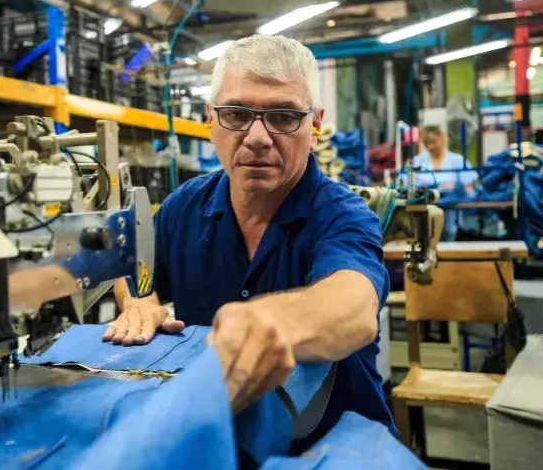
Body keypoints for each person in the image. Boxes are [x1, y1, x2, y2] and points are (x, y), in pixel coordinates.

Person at [102, 36, 393, 453]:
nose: (257, 136)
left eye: (283, 116)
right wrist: (139, 301)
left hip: (333, 448)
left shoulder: (342, 214)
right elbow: (134, 270)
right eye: (237, 114)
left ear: (314, 125)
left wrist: (267, 321)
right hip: (221, 442)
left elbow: (355, 305)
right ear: (210, 120)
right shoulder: (184, 206)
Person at [413, 125, 479, 241]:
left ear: (443, 138)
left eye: (433, 142)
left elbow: (470, 186)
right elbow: (408, 183)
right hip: (425, 205)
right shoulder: (418, 161)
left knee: (448, 231)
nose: (430, 147)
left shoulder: (457, 161)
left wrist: (455, 188)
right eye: (426, 143)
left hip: (449, 206)